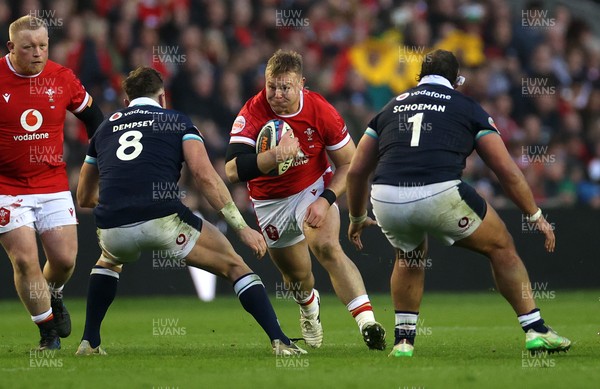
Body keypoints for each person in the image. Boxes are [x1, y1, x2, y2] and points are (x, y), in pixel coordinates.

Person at [346, 49, 571, 357]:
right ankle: (536, 330)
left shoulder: (390, 107)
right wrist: (535, 216)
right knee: (502, 245)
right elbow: (506, 170)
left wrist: (357, 216)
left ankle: (403, 343)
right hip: (438, 192)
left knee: (409, 257)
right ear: (457, 80)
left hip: (386, 196)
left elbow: (357, 170)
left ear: (419, 78)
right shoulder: (465, 106)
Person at [75, 66, 305, 356]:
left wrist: (118, 201)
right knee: (235, 266)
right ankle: (279, 341)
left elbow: (83, 196)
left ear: (126, 102)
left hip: (112, 225)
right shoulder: (177, 121)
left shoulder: (104, 128)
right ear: (162, 99)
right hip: (162, 219)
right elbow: (204, 176)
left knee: (108, 261)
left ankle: (89, 342)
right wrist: (241, 228)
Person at [225, 49, 385, 350]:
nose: (277, 93)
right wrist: (273, 156)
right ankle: (309, 308)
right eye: (271, 85)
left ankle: (368, 324)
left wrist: (325, 199)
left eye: (285, 87)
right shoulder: (252, 111)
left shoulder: (320, 110)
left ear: (302, 84)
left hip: (312, 188)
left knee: (326, 245)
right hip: (269, 202)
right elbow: (232, 170)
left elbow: (350, 164)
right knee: (298, 279)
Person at [0, 15, 104, 350]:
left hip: (52, 181)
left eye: (43, 46)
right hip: (7, 186)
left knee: (64, 261)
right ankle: (47, 333)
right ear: (11, 47)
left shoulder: (61, 77)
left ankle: (51, 294)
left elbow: (94, 118)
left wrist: (94, 161)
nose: (38, 53)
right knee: (24, 260)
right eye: (29, 47)